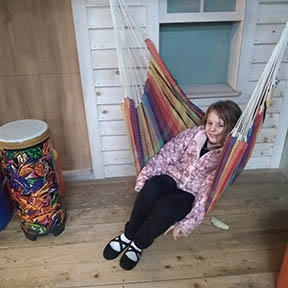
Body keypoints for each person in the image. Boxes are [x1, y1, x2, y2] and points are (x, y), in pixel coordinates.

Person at [103, 100, 242, 270]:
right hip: (171, 177)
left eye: (220, 125)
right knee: (152, 187)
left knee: (167, 208)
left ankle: (138, 244)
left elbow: (207, 192)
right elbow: (167, 154)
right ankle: (128, 235)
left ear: (231, 129)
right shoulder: (194, 135)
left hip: (189, 193)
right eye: (210, 122)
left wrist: (187, 224)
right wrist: (145, 176)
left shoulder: (225, 156)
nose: (212, 129)